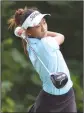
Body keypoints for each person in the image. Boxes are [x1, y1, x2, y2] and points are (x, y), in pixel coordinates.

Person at [8, 6, 77, 112]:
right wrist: (40, 33)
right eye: (37, 26)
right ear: (29, 31)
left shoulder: (29, 41)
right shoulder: (46, 43)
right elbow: (61, 36)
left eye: (44, 22)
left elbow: (27, 32)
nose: (43, 28)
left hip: (63, 95)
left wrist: (26, 33)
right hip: (51, 100)